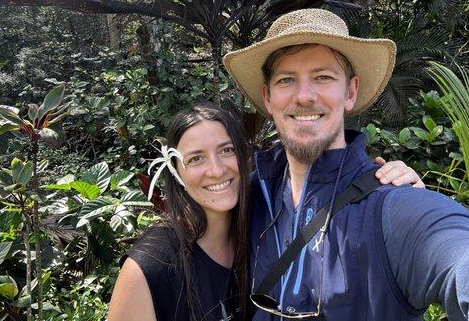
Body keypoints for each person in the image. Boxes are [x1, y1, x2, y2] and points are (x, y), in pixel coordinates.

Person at [223, 8, 469, 320]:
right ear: (268, 98)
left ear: (351, 92)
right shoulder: (249, 196)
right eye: (286, 80)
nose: (304, 96)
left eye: (323, 77)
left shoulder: (392, 207)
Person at [108, 103, 423, 321]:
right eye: (196, 159)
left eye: (226, 150)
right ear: (176, 172)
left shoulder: (265, 215)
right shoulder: (151, 267)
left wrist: (397, 188)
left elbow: (323, 184)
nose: (216, 170)